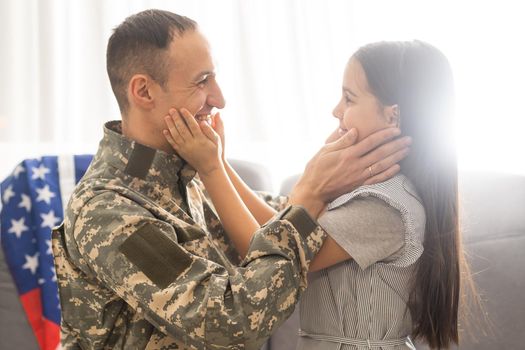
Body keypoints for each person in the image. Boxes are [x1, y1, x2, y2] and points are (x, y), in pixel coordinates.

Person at [51, 9, 411, 350]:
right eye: (201, 82)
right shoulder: (110, 210)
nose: (219, 99)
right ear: (144, 91)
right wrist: (310, 193)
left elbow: (285, 224)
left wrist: (220, 168)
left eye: (214, 76)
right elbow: (230, 323)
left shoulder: (186, 177)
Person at [165, 40, 474, 349]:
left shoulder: (383, 207)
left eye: (349, 99)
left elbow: (269, 249)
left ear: (393, 117)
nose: (336, 110)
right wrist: (218, 161)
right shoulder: (362, 190)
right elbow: (281, 227)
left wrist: (211, 170)